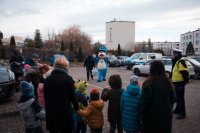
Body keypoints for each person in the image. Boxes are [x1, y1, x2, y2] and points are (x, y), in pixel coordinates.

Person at [44, 57, 79, 133]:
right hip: (65, 112)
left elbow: (46, 98)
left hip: (51, 112)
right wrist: (76, 108)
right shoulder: (68, 79)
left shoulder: (47, 80)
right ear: (66, 67)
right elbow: (73, 97)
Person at [139, 61, 175, 133]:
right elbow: (173, 99)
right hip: (166, 120)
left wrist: (141, 118)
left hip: (151, 121)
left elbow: (143, 104)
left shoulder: (148, 83)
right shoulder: (169, 83)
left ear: (151, 70)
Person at [171, 48, 189, 119]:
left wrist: (184, 82)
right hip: (177, 83)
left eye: (174, 54)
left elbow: (184, 72)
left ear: (178, 54)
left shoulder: (181, 61)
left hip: (180, 83)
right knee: (178, 98)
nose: (173, 55)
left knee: (181, 99)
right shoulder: (177, 61)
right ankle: (177, 110)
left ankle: (182, 114)